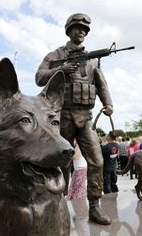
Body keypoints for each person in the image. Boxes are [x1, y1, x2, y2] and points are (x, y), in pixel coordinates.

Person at [35, 13, 114, 225]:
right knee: (61, 163)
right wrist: (60, 69)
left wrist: (108, 104)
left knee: (97, 161)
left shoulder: (92, 60)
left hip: (85, 118)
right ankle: (58, 206)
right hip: (63, 117)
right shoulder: (56, 55)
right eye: (78, 28)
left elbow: (101, 85)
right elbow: (38, 77)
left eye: (85, 30)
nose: (82, 32)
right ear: (69, 30)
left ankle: (95, 207)